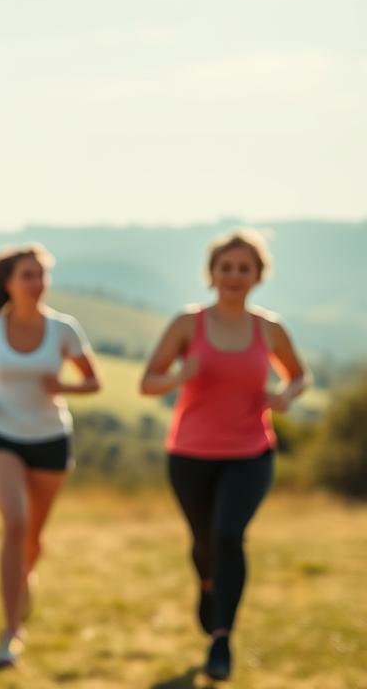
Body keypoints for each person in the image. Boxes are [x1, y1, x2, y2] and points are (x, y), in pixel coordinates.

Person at [140, 229, 309, 681]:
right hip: (190, 454)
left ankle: (221, 638)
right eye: (226, 267)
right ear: (212, 273)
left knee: (229, 536)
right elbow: (147, 381)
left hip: (251, 453)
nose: (234, 276)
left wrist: (286, 395)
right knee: (204, 542)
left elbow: (299, 375)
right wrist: (180, 375)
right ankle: (207, 583)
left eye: (244, 269)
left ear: (258, 276)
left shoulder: (268, 328)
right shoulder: (186, 324)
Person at [0, 244, 100, 667]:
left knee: (32, 537)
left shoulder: (63, 329)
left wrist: (64, 388)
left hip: (51, 440)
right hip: (1, 436)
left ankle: (24, 579)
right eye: (27, 276)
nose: (36, 284)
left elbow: (93, 381)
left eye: (41, 275)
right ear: (8, 284)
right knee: (14, 522)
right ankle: (10, 630)